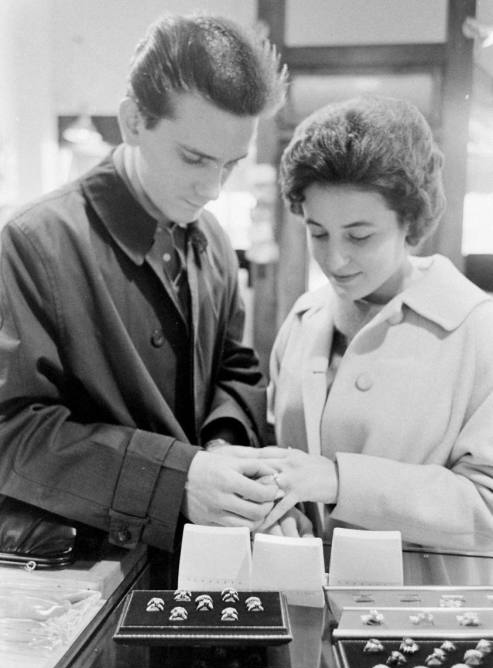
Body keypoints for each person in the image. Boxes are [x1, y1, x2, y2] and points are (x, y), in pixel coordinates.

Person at [0, 13, 289, 552]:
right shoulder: (33, 243)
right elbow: (11, 434)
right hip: (91, 577)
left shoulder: (216, 242)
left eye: (230, 164)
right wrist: (177, 479)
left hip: (204, 567)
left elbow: (234, 368)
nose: (212, 188)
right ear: (133, 121)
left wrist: (223, 444)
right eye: (194, 158)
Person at [256, 95, 493, 551]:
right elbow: (278, 455)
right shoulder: (306, 318)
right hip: (301, 598)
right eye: (317, 232)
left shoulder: (477, 331)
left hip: (424, 609)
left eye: (360, 236)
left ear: (411, 219)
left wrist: (341, 481)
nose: (335, 258)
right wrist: (276, 513)